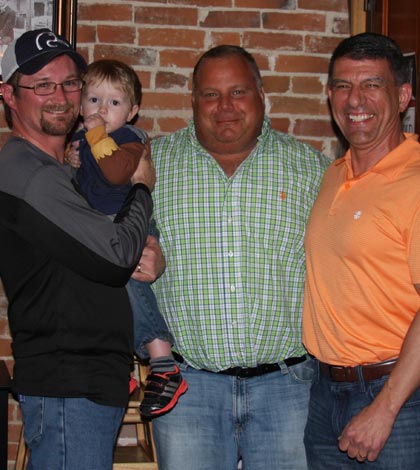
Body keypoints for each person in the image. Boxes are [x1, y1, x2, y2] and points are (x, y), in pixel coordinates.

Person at [149, 45, 330, 470]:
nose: (225, 106)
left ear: (261, 94)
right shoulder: (151, 165)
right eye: (210, 94)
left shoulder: (313, 170)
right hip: (188, 387)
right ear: (192, 100)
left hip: (288, 388)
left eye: (238, 92)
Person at [0, 28, 156, 469]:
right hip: (69, 386)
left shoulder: (60, 171)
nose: (60, 96)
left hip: (83, 383)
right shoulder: (31, 174)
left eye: (70, 83)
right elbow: (115, 256)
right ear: (9, 96)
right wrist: (142, 190)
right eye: (42, 84)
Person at [302, 32, 420, 469]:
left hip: (398, 397)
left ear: (403, 95)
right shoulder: (334, 174)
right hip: (325, 392)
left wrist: (386, 408)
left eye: (372, 84)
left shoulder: (416, 180)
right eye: (343, 86)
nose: (356, 99)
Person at [67, 59, 187, 418]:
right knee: (98, 299)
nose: (101, 110)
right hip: (97, 228)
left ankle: (163, 362)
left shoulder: (129, 139)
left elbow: (118, 173)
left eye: (113, 103)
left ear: (132, 112)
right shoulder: (83, 140)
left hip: (127, 224)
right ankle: (118, 365)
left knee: (133, 288)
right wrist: (70, 159)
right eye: (93, 100)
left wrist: (94, 137)